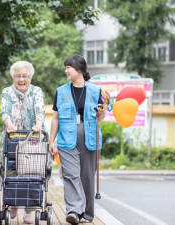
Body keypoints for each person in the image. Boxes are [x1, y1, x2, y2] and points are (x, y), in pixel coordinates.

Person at [49, 55, 105, 225]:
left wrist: (101, 113)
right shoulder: (61, 91)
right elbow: (56, 118)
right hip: (67, 138)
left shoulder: (96, 91)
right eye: (65, 67)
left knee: (87, 177)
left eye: (69, 67)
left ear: (79, 69)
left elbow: (101, 117)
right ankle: (74, 210)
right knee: (71, 175)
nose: (66, 70)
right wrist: (51, 141)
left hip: (90, 137)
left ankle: (87, 214)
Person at [0, 60, 45, 224]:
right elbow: (4, 110)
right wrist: (9, 124)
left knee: (32, 171)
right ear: (13, 77)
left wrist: (38, 124)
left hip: (32, 136)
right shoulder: (7, 92)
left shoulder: (36, 91)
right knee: (11, 169)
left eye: (25, 76)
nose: (22, 79)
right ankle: (13, 203)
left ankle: (30, 210)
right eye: (18, 76)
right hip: (13, 137)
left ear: (30, 76)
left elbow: (40, 109)